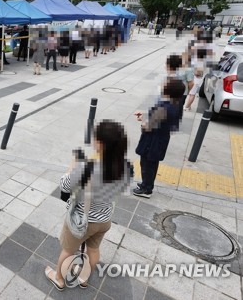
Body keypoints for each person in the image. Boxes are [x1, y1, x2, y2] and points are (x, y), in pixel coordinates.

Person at [44, 120, 132, 291]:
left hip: (81, 221)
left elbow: (64, 186)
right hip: (104, 219)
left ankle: (59, 278)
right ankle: (84, 279)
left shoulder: (86, 168)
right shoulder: (125, 167)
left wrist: (72, 165)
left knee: (68, 251)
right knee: (93, 249)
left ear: (100, 143)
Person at [133, 78, 185, 198]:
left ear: (168, 89)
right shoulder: (175, 104)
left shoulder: (164, 107)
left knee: (147, 164)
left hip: (152, 141)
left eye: (165, 84)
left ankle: (146, 189)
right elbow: (160, 120)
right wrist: (147, 116)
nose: (162, 85)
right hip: (160, 139)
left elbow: (148, 125)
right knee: (151, 164)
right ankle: (146, 184)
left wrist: (142, 121)